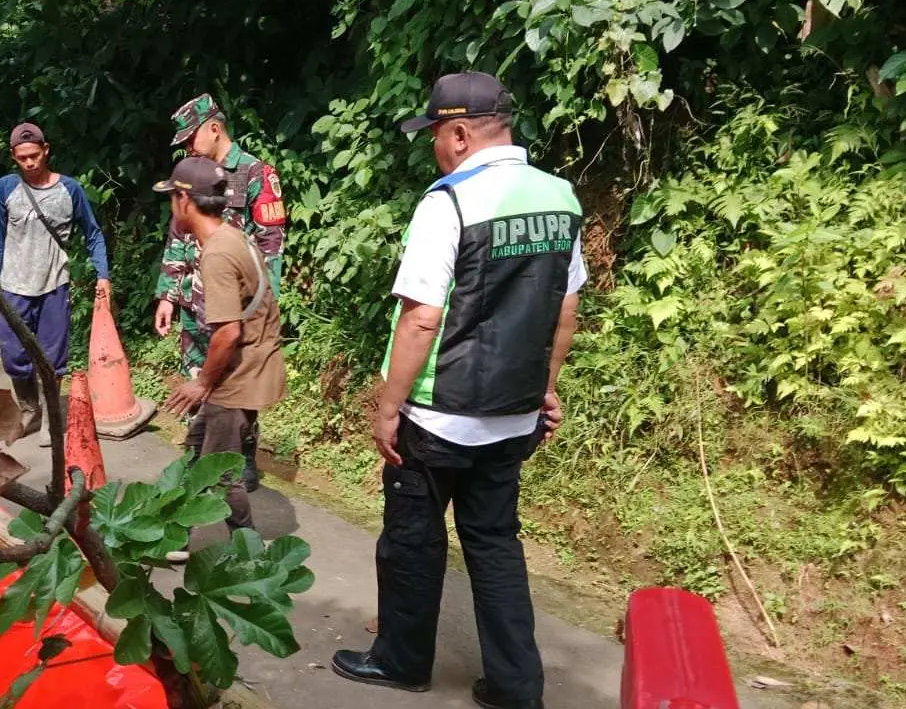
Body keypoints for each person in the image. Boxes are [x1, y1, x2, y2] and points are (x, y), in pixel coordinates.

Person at [329, 72, 585, 709]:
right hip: (512, 418)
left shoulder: (449, 204)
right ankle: (516, 687)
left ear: (462, 133)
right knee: (495, 544)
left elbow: (422, 316)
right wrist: (544, 388)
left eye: (437, 135)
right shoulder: (561, 199)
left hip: (438, 418)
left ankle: (401, 662)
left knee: (413, 540)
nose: (434, 149)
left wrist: (388, 407)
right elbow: (567, 307)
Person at [153, 93, 288, 492]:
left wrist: (257, 311)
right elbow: (178, 235)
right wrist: (169, 294)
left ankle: (239, 455)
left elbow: (270, 247)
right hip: (197, 304)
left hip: (236, 308)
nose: (189, 147)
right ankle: (200, 460)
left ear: (215, 128)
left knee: (235, 387)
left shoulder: (255, 175)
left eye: (192, 138)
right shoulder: (191, 173)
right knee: (199, 381)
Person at [0, 123, 111, 442]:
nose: (29, 163)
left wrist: (103, 274)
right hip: (14, 287)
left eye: (34, 155)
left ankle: (53, 418)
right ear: (14, 156)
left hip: (54, 287)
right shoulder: (5, 188)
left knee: (53, 361)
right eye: (22, 157)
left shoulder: (69, 190)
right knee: (13, 353)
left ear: (46, 150)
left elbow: (93, 234)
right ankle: (30, 410)